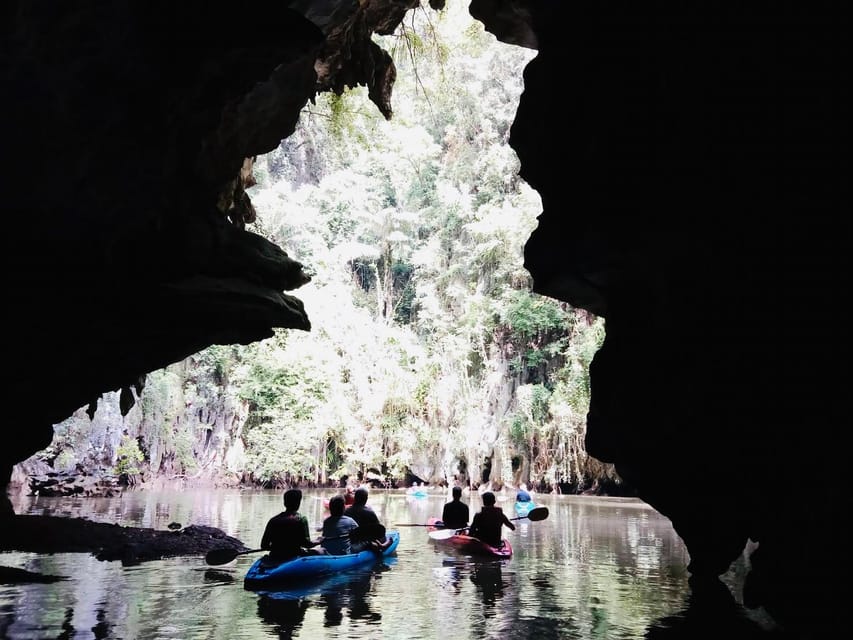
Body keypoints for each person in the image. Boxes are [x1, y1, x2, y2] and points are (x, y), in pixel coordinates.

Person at [260, 488, 324, 562]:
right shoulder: (301, 519)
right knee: (322, 550)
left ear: (284, 503)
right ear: (298, 503)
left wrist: (279, 547)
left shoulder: (273, 520)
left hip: (275, 556)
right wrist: (319, 541)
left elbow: (264, 545)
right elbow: (307, 544)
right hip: (294, 556)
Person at [344, 487, 392, 552]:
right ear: (366, 499)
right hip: (365, 539)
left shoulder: (346, 511)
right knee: (382, 536)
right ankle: (382, 546)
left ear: (355, 498)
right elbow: (379, 530)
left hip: (352, 540)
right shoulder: (370, 512)